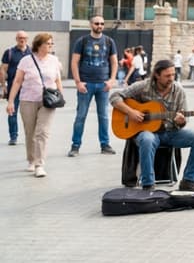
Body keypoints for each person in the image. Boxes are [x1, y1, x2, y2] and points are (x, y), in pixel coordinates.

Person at [109, 60, 194, 192]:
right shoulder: (143, 86)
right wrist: (131, 112)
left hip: (170, 133)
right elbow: (114, 97)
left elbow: (184, 120)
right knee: (147, 139)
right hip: (149, 133)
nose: (171, 78)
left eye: (173, 75)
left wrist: (181, 121)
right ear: (156, 75)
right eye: (167, 76)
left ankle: (188, 181)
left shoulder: (178, 91)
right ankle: (148, 184)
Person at [5, 33, 62, 177]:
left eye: (51, 43)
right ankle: (31, 160)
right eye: (47, 43)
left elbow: (57, 80)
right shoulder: (26, 61)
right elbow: (17, 81)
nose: (50, 46)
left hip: (48, 101)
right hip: (27, 100)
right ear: (39, 45)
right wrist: (11, 101)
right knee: (30, 133)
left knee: (42, 132)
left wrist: (60, 96)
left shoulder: (54, 60)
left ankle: (39, 164)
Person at [68, 17, 118, 157]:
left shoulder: (109, 41)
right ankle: (75, 146)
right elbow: (74, 62)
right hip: (86, 84)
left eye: (102, 23)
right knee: (80, 116)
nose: (100, 25)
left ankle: (105, 144)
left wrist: (111, 80)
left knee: (103, 116)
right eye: (97, 23)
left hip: (103, 85)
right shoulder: (82, 41)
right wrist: (78, 82)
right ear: (91, 25)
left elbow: (114, 62)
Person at [2, 31, 31, 146]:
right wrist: (3, 86)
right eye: (19, 38)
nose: (22, 40)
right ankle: (13, 136)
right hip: (13, 87)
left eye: (24, 38)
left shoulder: (32, 52)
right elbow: (3, 69)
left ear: (27, 39)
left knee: (29, 114)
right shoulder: (9, 52)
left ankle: (30, 136)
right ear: (16, 39)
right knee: (12, 112)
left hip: (29, 88)